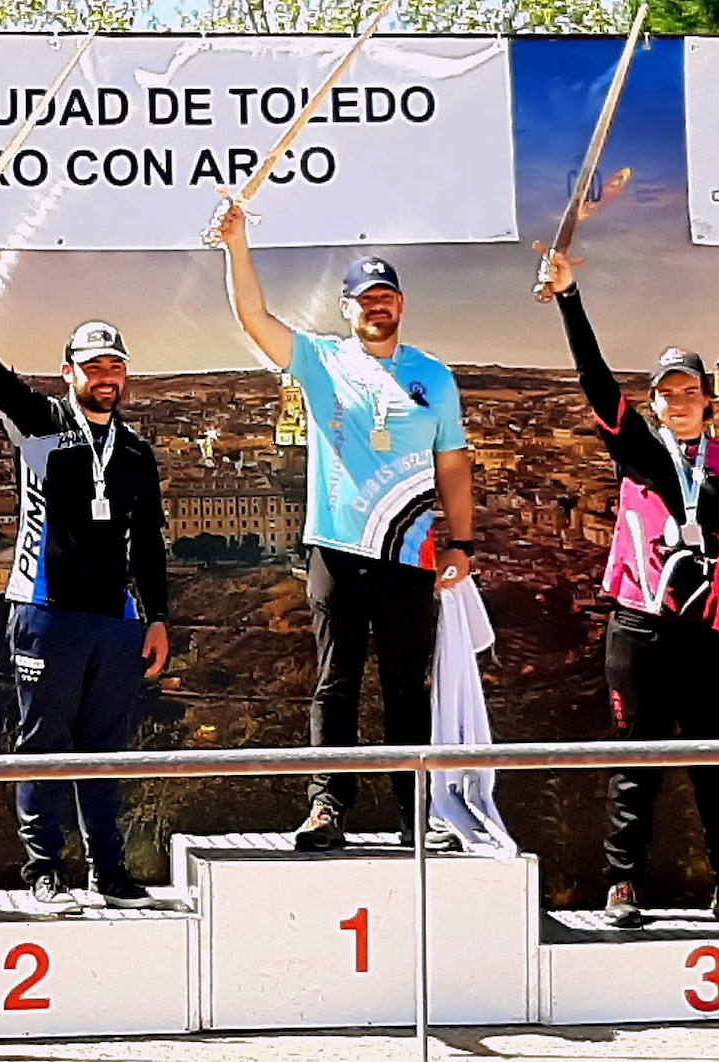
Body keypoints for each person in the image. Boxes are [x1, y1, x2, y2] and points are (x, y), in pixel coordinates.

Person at [538, 246, 719, 927]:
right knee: (636, 765)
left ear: (709, 403)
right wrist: (570, 298)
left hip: (714, 636)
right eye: (666, 394)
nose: (679, 403)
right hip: (641, 631)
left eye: (690, 393)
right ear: (651, 404)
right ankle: (623, 884)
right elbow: (595, 383)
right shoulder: (641, 454)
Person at [216, 201, 476, 851]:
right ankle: (327, 808)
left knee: (404, 691)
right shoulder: (320, 361)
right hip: (336, 548)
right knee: (336, 682)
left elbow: (454, 463)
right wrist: (236, 247)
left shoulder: (435, 376)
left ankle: (414, 814)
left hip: (411, 552)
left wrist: (464, 543)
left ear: (401, 305)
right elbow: (254, 318)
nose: (376, 307)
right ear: (346, 308)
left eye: (386, 297)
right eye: (365, 299)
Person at [0, 252, 170, 912]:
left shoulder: (138, 452)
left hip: (115, 619)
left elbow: (148, 540)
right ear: (70, 373)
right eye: (93, 367)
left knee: (105, 751)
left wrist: (158, 617)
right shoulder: (39, 421)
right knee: (44, 744)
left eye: (115, 366)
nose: (106, 378)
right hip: (44, 608)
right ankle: (43, 869)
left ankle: (109, 870)